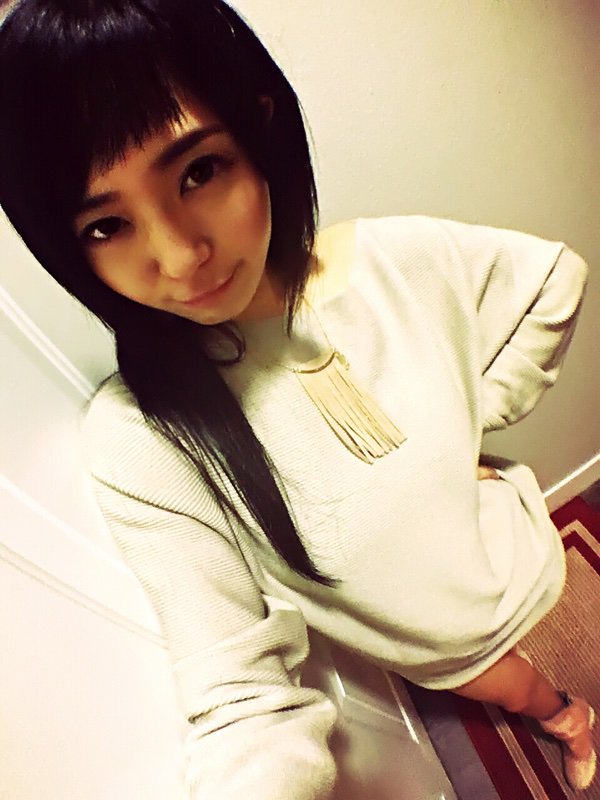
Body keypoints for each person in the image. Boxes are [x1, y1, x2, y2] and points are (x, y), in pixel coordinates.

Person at [0, 1, 595, 797]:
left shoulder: (390, 262)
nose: (179, 256)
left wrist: (467, 423)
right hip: (437, 651)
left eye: (198, 172)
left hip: (515, 551)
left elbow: (554, 281)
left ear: (259, 131)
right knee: (525, 693)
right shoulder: (142, 436)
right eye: (106, 226)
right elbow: (241, 700)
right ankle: (568, 720)